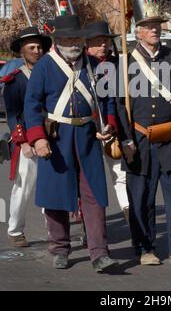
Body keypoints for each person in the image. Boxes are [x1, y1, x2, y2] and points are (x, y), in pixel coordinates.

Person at [24, 14, 118, 272]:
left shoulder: (93, 65)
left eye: (78, 37)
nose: (74, 42)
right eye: (69, 38)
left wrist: (106, 125)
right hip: (56, 137)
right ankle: (60, 248)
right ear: (59, 40)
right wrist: (38, 137)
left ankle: (99, 253)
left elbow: (106, 100)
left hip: (87, 136)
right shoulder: (45, 66)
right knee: (55, 196)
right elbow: (31, 105)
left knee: (95, 196)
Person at [116, 0, 171, 266]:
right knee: (141, 198)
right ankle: (145, 248)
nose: (154, 29)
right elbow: (119, 105)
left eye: (157, 25)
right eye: (148, 25)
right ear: (137, 30)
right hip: (139, 139)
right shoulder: (125, 61)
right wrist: (125, 139)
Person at [0, 27, 52, 247]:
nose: (37, 50)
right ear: (22, 51)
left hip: (52, 136)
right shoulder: (16, 80)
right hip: (27, 139)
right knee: (24, 185)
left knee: (51, 185)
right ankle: (15, 230)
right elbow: (12, 115)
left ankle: (55, 230)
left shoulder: (52, 74)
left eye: (39, 46)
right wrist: (22, 141)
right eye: (31, 47)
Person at [86, 20, 130, 221]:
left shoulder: (120, 64)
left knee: (119, 172)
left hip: (112, 125)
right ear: (87, 44)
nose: (103, 45)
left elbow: (117, 99)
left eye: (105, 41)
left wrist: (111, 124)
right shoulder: (81, 65)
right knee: (88, 177)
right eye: (98, 41)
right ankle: (87, 218)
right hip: (86, 127)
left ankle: (128, 209)